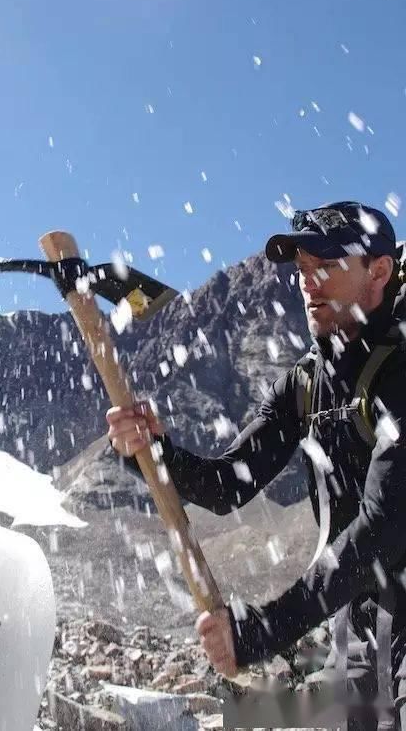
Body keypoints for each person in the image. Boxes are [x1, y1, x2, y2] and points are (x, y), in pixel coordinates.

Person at [107, 200, 406, 730]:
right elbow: (229, 484)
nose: (308, 283)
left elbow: (382, 531)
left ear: (379, 271)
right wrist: (149, 452)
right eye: (303, 269)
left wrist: (258, 632)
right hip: (356, 623)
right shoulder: (306, 383)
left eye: (327, 266)